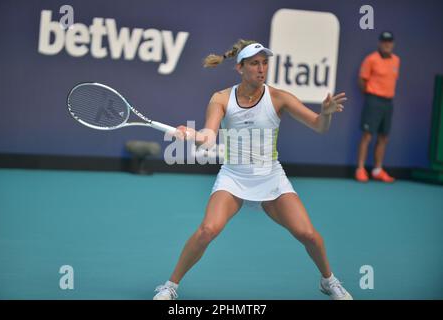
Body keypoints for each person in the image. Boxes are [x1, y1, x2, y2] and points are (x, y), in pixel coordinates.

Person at [153, 39, 352, 300]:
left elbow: (319, 126)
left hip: (271, 178)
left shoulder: (279, 98)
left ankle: (329, 281)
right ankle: (170, 286)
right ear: (240, 68)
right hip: (234, 177)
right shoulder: (222, 98)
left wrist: (325, 114)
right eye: (255, 63)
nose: (261, 69)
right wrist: (191, 134)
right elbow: (209, 135)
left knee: (309, 235)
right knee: (208, 230)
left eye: (265, 63)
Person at [355, 31, 400, 183]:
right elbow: (362, 80)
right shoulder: (371, 59)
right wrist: (370, 94)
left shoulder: (396, 60)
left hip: (388, 102)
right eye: (384, 41)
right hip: (373, 101)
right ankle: (360, 169)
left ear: (392, 44)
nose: (387, 44)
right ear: (380, 43)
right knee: (367, 135)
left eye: (389, 41)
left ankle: (377, 170)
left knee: (384, 137)